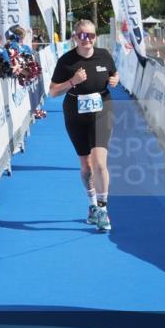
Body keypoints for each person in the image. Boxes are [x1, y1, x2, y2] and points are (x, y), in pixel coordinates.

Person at [49, 19, 120, 232]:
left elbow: (113, 73)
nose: (86, 38)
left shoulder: (104, 55)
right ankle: (91, 206)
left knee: (99, 163)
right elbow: (52, 91)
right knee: (86, 167)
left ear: (95, 37)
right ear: (74, 37)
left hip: (101, 109)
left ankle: (103, 210)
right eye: (81, 34)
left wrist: (115, 79)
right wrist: (73, 81)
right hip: (75, 112)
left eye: (90, 35)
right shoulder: (66, 61)